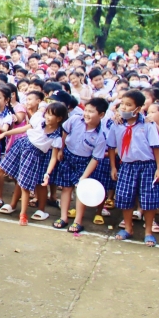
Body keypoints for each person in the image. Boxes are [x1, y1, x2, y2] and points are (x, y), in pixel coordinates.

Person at [0, 102, 68, 225]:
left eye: (51, 115)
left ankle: (23, 214)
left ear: (59, 118)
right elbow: (24, 128)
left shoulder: (56, 138)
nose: (47, 117)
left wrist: (47, 173)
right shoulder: (39, 121)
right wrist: (5, 133)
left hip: (34, 155)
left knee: (24, 185)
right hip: (21, 145)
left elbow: (54, 158)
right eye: (47, 114)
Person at [108, 89, 159, 247]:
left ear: (138, 109)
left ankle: (148, 232)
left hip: (147, 165)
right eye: (122, 104)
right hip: (126, 165)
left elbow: (156, 146)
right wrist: (113, 166)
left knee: (149, 199)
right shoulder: (117, 124)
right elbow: (111, 147)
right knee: (125, 197)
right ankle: (128, 228)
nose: (124, 108)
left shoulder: (148, 124)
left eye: (128, 105)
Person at [51, 98, 109, 233]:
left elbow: (95, 158)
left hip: (85, 161)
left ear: (101, 115)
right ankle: (63, 217)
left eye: (91, 112)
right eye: (86, 110)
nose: (87, 114)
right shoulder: (75, 120)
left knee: (81, 191)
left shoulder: (101, 135)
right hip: (67, 156)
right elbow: (64, 132)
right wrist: (61, 149)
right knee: (65, 188)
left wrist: (84, 176)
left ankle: (78, 221)